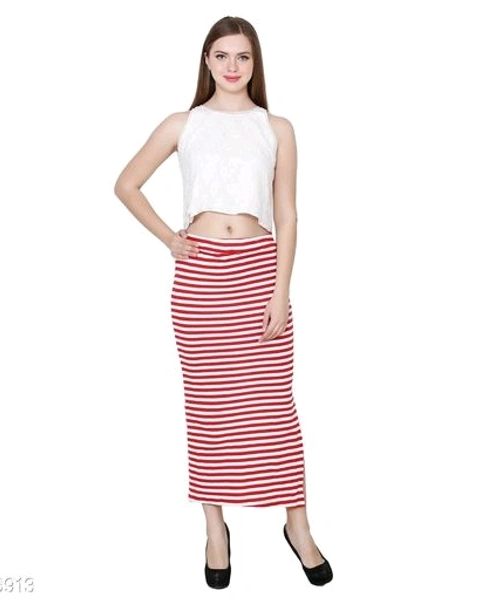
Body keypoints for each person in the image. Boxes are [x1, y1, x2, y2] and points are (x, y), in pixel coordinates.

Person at [113, 15, 332, 589]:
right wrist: (171, 239)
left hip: (259, 271)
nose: (232, 67)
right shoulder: (183, 124)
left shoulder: (276, 127)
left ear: (255, 63)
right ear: (206, 61)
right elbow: (126, 184)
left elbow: (287, 215)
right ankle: (215, 529)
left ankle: (298, 525)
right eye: (222, 56)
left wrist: (281, 290)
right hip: (201, 276)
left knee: (274, 407)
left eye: (243, 56)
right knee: (209, 407)